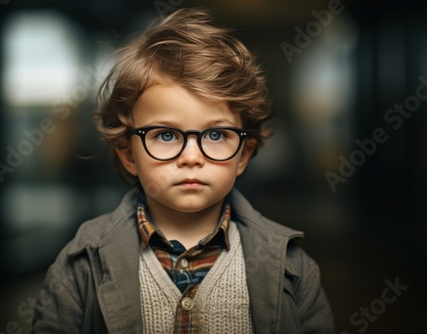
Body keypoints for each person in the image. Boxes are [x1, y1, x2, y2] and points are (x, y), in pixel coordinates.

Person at [32, 8, 334, 333]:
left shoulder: (292, 267)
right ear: (128, 154)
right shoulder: (82, 263)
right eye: (165, 135)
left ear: (244, 155)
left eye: (216, 134)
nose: (191, 157)